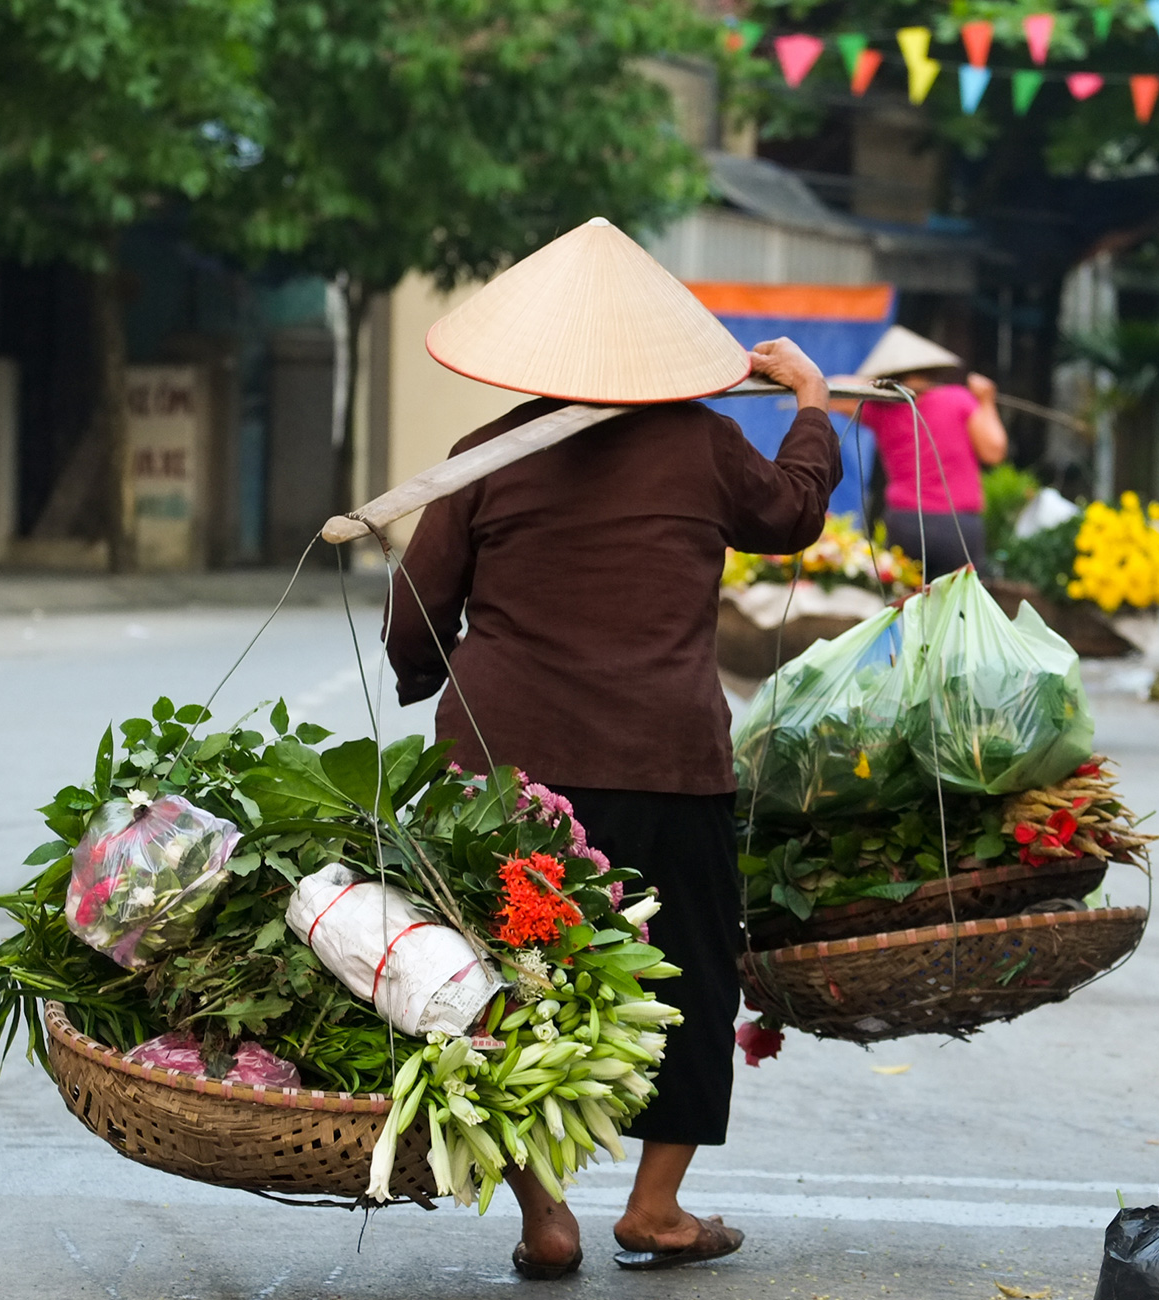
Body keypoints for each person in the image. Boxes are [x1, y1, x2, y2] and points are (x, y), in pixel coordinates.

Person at [383, 218, 841, 1279]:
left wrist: (432, 682)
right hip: (662, 763)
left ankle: (545, 1213)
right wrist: (812, 403)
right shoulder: (702, 445)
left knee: (505, 980)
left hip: (503, 775)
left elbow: (416, 615)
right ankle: (655, 1205)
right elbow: (792, 511)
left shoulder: (483, 458)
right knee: (682, 973)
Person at [846, 326, 1007, 578]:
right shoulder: (958, 399)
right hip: (956, 525)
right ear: (932, 370)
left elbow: (831, 389)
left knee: (907, 602)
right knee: (962, 605)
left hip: (905, 523)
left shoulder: (880, 408)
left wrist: (876, 388)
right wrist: (986, 400)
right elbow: (994, 451)